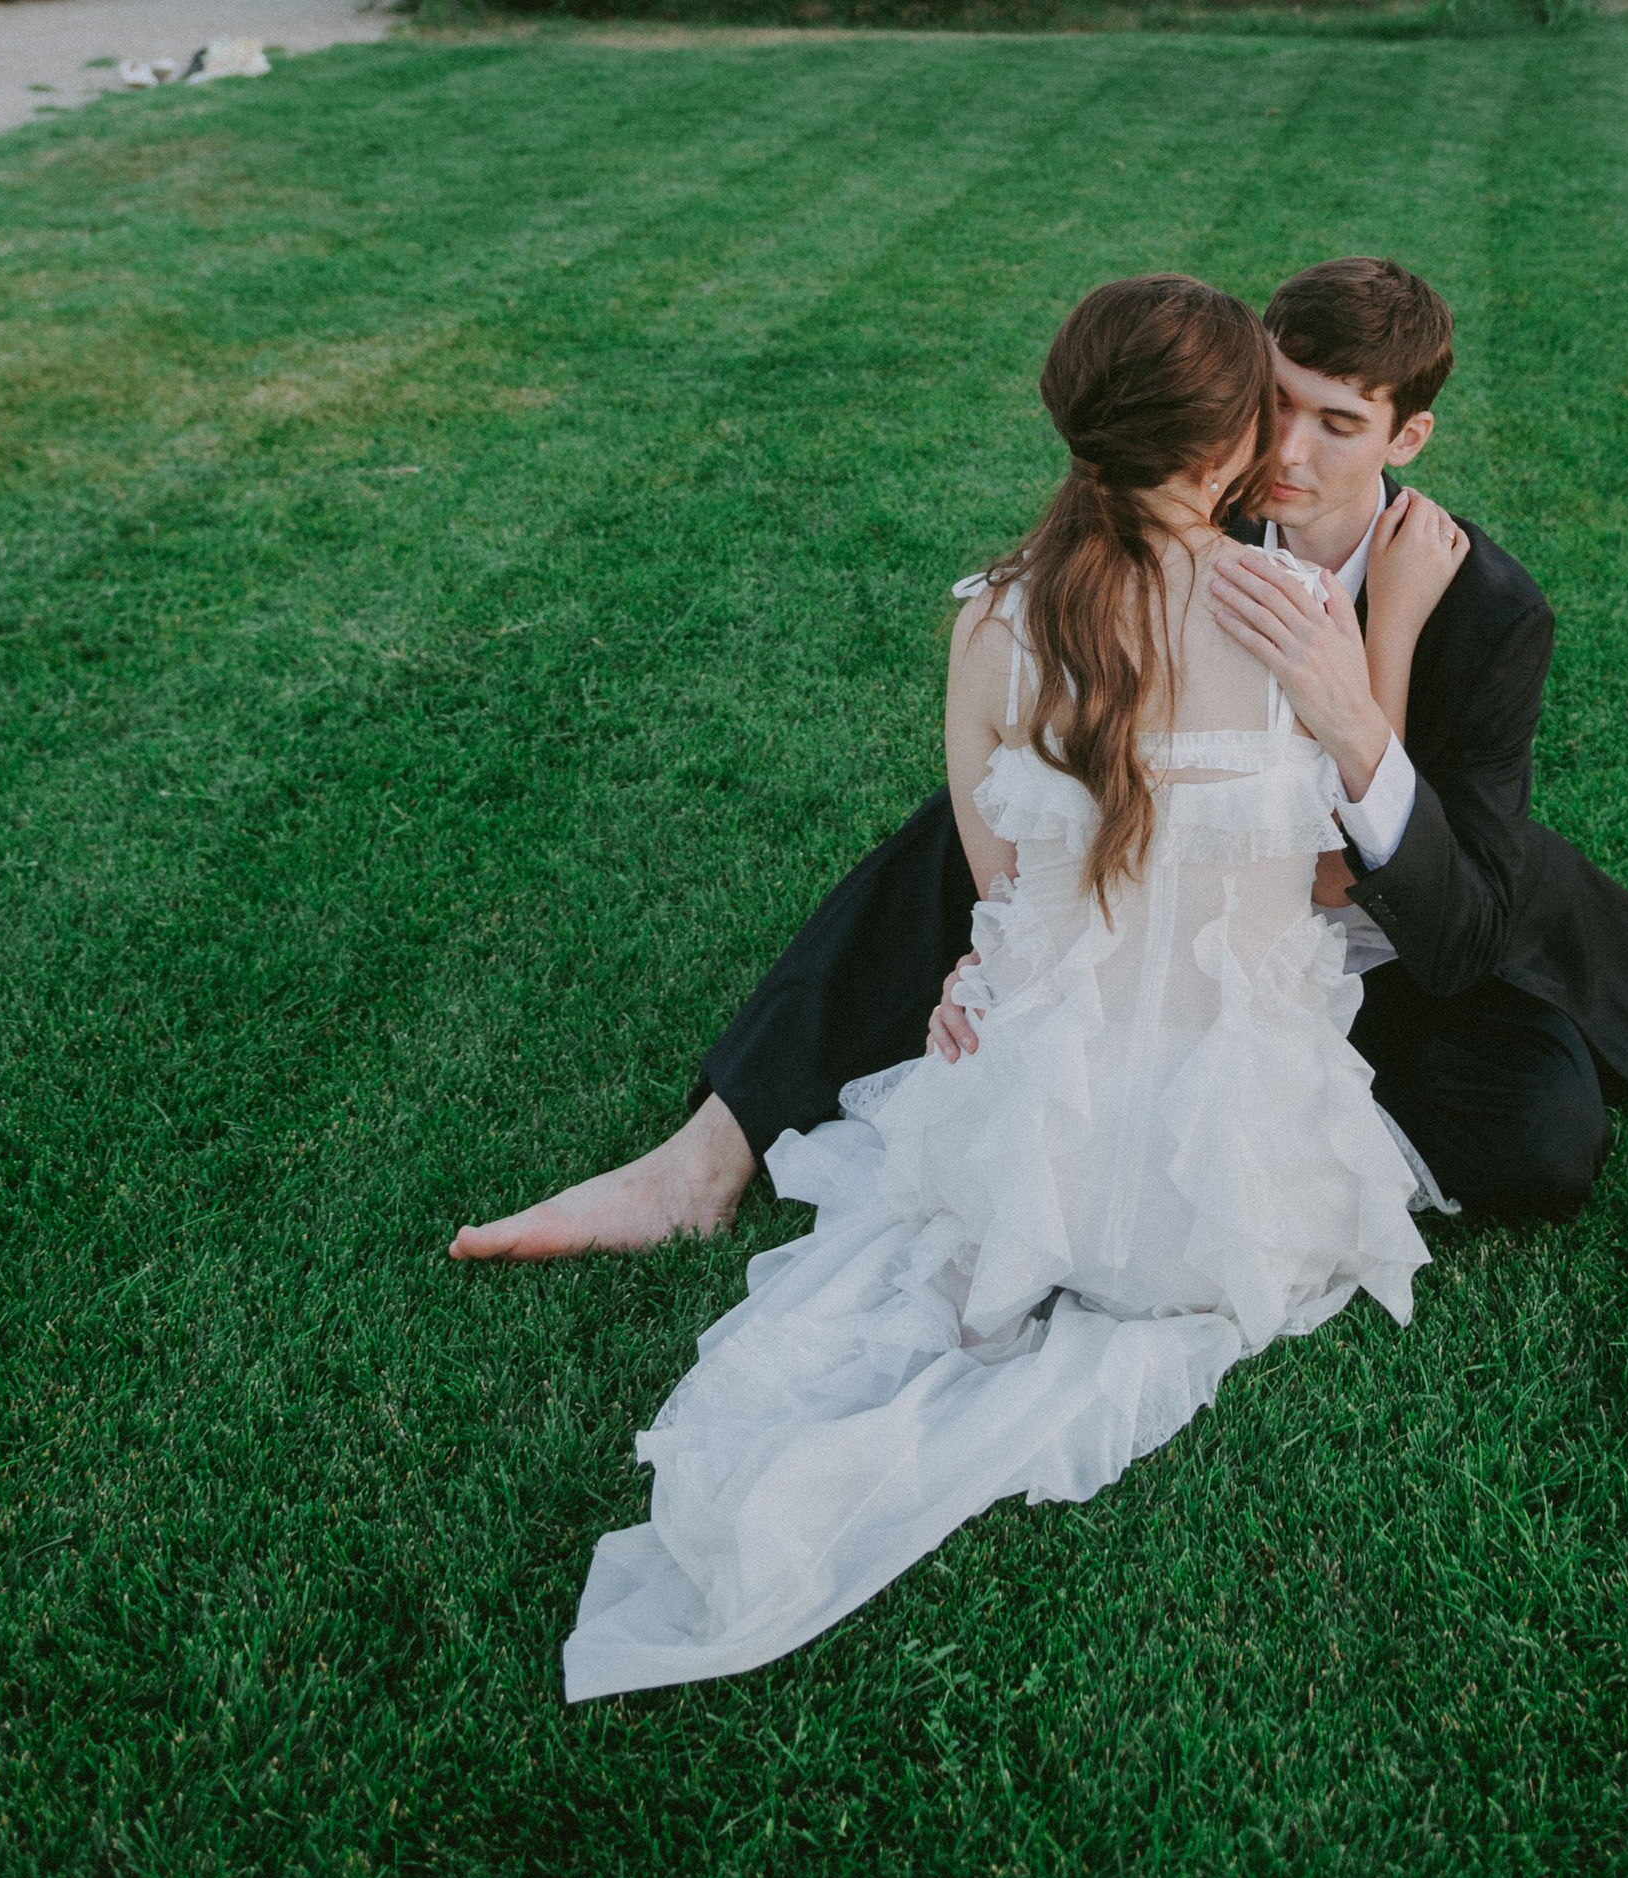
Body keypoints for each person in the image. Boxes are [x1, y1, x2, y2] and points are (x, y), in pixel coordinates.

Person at [553, 275, 1462, 1698]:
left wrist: (984, 986)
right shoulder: (1293, 609)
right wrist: (1392, 626)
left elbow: (1001, 892)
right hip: (1225, 1178)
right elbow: (1354, 813)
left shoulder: (990, 621)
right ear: (1227, 455)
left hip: (1027, 1151)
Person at [451, 255, 1628, 1268]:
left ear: (1406, 433)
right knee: (990, 803)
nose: (1284, 451)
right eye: (1274, 401)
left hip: (1413, 929)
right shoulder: (1188, 492)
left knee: (1542, 1144)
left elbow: (1452, 925)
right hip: (1187, 890)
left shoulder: (1487, 604)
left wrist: (1362, 690)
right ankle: (704, 1153)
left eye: (1337, 422)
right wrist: (1005, 968)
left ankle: (1244, 1101)